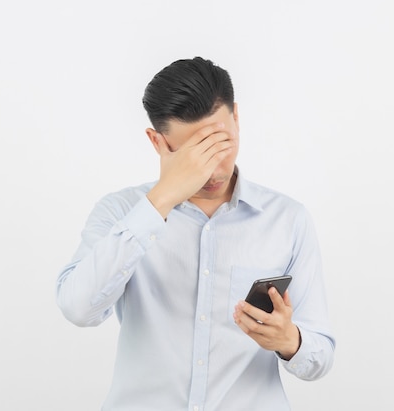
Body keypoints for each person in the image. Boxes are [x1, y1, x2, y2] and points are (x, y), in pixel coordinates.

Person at [56, 57, 335, 410]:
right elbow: (79, 308)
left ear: (237, 118)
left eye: (222, 144)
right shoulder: (119, 212)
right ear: (157, 142)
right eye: (195, 154)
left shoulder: (288, 219)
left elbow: (321, 355)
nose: (214, 169)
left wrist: (289, 340)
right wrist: (159, 202)